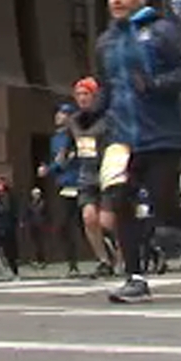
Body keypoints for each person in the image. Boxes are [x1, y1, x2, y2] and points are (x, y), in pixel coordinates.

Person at [88, 0, 181, 303]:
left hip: (161, 135)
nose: (117, 0)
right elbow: (108, 87)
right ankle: (135, 278)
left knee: (164, 208)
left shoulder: (162, 31)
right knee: (120, 202)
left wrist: (157, 85)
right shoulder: (105, 41)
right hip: (122, 139)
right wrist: (92, 111)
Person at [69, 77, 118, 278]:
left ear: (95, 96)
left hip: (108, 170)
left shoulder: (107, 118)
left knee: (108, 221)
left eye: (86, 94)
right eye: (79, 94)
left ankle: (121, 250)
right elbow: (76, 143)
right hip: (87, 173)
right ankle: (103, 260)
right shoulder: (75, 120)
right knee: (88, 217)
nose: (82, 98)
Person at [38, 103, 83, 276]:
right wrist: (51, 168)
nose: (58, 116)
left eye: (62, 113)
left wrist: (49, 169)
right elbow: (58, 160)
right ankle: (72, 264)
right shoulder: (55, 139)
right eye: (57, 113)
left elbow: (64, 160)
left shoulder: (74, 136)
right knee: (64, 225)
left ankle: (109, 255)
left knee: (84, 224)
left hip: (78, 183)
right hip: (64, 185)